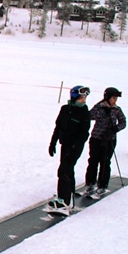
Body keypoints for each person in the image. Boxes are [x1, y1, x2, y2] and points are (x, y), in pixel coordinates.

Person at [48, 85, 91, 214]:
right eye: (81, 98)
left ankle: (64, 200)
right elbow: (58, 127)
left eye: (85, 98)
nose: (83, 100)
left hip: (75, 146)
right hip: (65, 144)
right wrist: (53, 143)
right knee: (67, 169)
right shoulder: (65, 109)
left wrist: (76, 146)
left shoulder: (85, 112)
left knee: (64, 170)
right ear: (74, 97)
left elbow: (84, 133)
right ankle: (68, 196)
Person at [83, 87, 126, 199]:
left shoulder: (117, 109)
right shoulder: (99, 107)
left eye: (116, 98)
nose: (115, 100)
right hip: (96, 138)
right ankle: (90, 183)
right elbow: (89, 116)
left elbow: (123, 122)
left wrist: (114, 129)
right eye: (113, 98)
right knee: (93, 161)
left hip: (109, 140)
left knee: (105, 162)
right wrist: (101, 110)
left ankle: (102, 185)